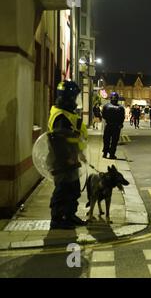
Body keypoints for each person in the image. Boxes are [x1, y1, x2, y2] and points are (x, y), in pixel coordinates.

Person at [47, 80, 88, 229]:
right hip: (62, 161)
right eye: (75, 97)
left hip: (71, 158)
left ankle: (70, 215)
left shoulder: (65, 114)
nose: (77, 101)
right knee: (62, 190)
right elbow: (58, 141)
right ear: (68, 98)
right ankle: (58, 219)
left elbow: (71, 137)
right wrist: (69, 158)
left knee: (73, 189)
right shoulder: (61, 117)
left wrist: (79, 153)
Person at [102, 92, 125, 159]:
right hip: (116, 126)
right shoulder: (120, 108)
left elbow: (103, 115)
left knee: (106, 140)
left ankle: (105, 153)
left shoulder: (106, 106)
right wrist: (120, 124)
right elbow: (122, 117)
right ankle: (112, 154)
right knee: (114, 141)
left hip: (108, 125)